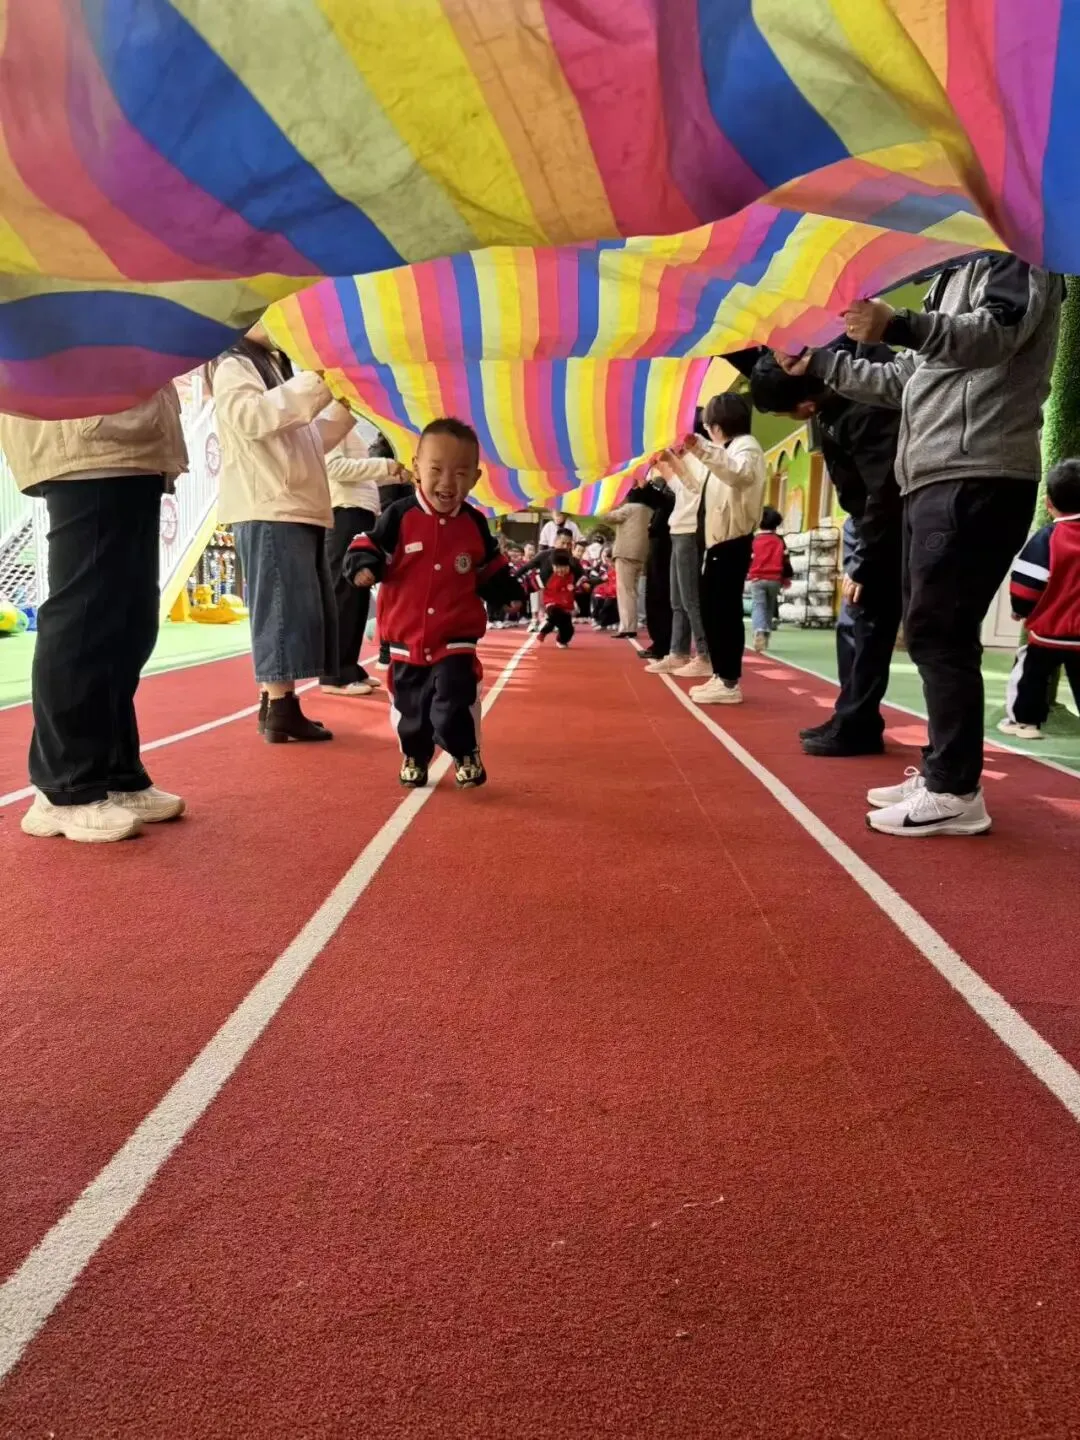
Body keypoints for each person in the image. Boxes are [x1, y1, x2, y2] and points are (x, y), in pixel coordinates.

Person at [779, 255, 1063, 836]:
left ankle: (954, 788)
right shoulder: (955, 275)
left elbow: (996, 334)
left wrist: (898, 324)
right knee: (933, 629)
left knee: (940, 631)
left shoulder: (1017, 253)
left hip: (976, 470)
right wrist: (819, 363)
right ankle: (944, 770)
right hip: (937, 474)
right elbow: (903, 379)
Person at [3, 391, 188, 842]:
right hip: (85, 434)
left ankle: (116, 772)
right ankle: (64, 787)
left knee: (130, 622)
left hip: (133, 441)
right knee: (86, 617)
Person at [343, 418, 523, 789]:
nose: (447, 482)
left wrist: (507, 594)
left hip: (455, 637)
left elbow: (491, 568)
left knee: (455, 698)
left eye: (460, 473)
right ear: (416, 468)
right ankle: (415, 754)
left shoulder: (474, 524)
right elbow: (368, 543)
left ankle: (464, 751)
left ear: (474, 478)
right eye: (436, 470)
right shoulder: (399, 516)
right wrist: (363, 566)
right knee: (411, 708)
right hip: (405, 638)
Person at [751, 347, 903, 755]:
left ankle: (860, 725)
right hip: (862, 520)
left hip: (886, 526)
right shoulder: (828, 404)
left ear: (806, 403)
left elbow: (884, 494)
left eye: (787, 413)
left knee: (872, 625)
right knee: (851, 625)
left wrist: (865, 563)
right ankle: (850, 715)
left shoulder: (865, 409)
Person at [210, 324, 355, 743]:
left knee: (291, 609)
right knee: (279, 610)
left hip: (292, 503)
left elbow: (309, 440)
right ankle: (281, 707)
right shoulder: (233, 363)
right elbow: (251, 418)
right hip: (270, 503)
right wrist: (315, 384)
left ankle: (273, 704)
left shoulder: (275, 367)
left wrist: (342, 407)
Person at [655, 393, 766, 704]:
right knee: (713, 611)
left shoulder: (746, 448)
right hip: (716, 542)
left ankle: (729, 681)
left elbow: (739, 474)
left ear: (718, 425)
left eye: (708, 426)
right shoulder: (725, 451)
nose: (706, 431)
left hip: (732, 541)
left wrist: (700, 447)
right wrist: (675, 462)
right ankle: (720, 674)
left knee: (724, 613)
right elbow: (694, 488)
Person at [319, 426, 406, 697]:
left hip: (361, 513)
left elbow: (362, 477)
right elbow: (334, 468)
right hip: (345, 513)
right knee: (344, 594)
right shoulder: (331, 423)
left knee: (357, 597)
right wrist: (385, 465)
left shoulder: (349, 429)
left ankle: (349, 666)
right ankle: (333, 675)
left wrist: (395, 474)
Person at [1001, 459, 1080, 739]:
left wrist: (1020, 608)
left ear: (1049, 503)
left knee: (1030, 674)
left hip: (1048, 632)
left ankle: (1024, 722)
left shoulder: (1047, 537)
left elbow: (1028, 581)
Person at [644, 419, 711, 678]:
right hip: (678, 530)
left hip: (690, 532)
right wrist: (663, 465)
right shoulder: (687, 458)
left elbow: (694, 489)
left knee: (690, 599)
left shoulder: (703, 458)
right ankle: (678, 653)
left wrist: (671, 461)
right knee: (677, 601)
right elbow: (681, 489)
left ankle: (705, 655)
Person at [625, 470, 675, 660]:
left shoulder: (677, 486)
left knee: (661, 596)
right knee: (653, 595)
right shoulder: (664, 488)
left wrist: (646, 487)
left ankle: (665, 644)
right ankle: (660, 642)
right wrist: (637, 487)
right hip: (656, 545)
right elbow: (644, 500)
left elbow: (666, 502)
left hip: (668, 546)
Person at [603, 493, 651, 638]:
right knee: (635, 591)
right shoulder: (649, 510)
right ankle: (633, 623)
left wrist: (608, 506)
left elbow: (607, 517)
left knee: (625, 592)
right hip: (642, 554)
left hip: (625, 554)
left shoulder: (628, 509)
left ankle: (627, 627)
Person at [747, 506, 790, 652]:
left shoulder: (754, 540)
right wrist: (786, 577)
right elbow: (785, 560)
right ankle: (766, 632)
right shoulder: (780, 541)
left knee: (758, 605)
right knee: (770, 607)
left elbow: (749, 559)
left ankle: (759, 630)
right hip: (775, 579)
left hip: (757, 578)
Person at [538, 553, 576, 647]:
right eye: (557, 567)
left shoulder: (572, 576)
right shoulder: (551, 577)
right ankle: (544, 631)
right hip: (552, 604)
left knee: (568, 629)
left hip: (565, 606)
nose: (560, 570)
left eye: (563, 567)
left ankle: (561, 640)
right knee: (555, 614)